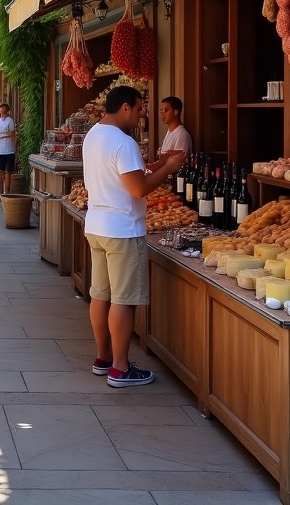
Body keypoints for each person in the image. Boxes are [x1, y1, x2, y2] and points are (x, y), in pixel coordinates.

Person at [83, 85, 185, 387]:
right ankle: (120, 368)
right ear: (125, 107)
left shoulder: (94, 135)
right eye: (140, 108)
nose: (142, 115)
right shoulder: (123, 142)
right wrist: (167, 169)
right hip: (123, 229)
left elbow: (129, 174)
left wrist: (157, 164)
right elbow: (138, 189)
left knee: (100, 294)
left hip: (97, 225)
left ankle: (103, 358)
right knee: (124, 301)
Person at [0, 102, 17, 200]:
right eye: (0, 108)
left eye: (2, 108)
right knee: (0, 171)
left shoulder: (9, 121)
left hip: (9, 149)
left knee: (8, 172)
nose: (0, 109)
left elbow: (12, 133)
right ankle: (0, 191)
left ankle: (7, 191)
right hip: (0, 150)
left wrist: (2, 136)